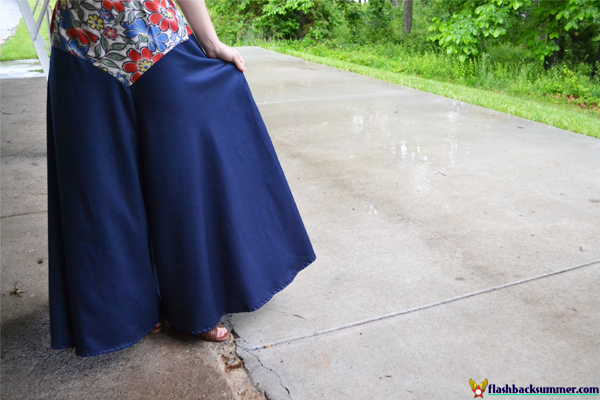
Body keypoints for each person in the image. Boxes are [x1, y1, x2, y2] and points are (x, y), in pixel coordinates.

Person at [47, 0, 316, 357]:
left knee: (184, 175)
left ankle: (197, 304)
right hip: (80, 42)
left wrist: (211, 42)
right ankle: (125, 312)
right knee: (99, 190)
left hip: (152, 31)